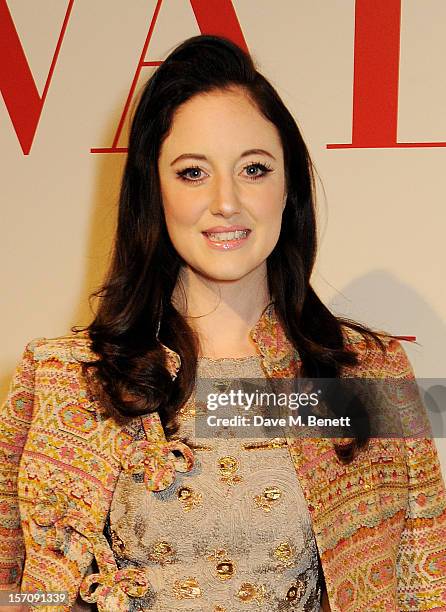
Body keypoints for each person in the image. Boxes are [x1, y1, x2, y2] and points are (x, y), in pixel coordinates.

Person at [1, 34, 445, 612]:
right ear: (153, 189)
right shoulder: (66, 377)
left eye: (254, 168)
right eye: (192, 173)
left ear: (289, 188)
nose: (226, 201)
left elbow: (422, 586)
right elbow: (23, 590)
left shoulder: (367, 377)